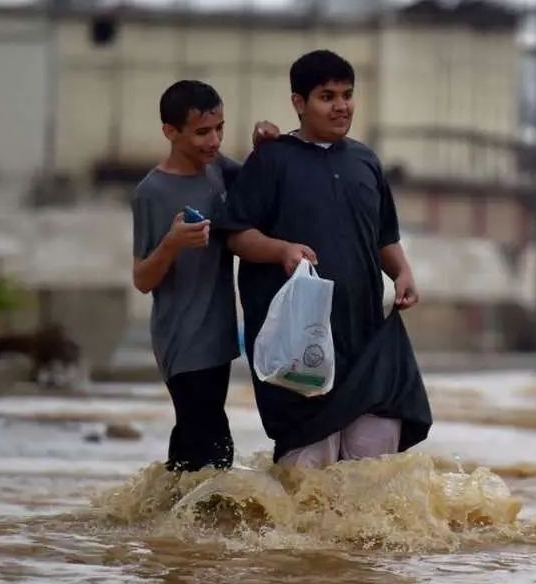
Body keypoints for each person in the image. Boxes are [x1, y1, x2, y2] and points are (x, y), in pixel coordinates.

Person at [219, 49, 432, 469]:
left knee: (372, 473)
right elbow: (237, 236)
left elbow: (384, 236)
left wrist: (402, 272)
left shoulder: (365, 161)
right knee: (306, 476)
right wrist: (281, 250)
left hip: (366, 337)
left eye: (347, 95)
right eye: (327, 96)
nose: (341, 106)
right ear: (299, 103)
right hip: (300, 342)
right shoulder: (272, 159)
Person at [131, 80, 279, 472]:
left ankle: (161, 527)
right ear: (170, 132)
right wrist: (172, 243)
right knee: (214, 449)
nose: (213, 141)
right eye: (201, 132)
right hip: (181, 338)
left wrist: (264, 148)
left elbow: (257, 186)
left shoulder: (219, 171)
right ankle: (193, 525)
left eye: (220, 129)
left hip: (218, 336)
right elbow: (142, 279)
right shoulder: (152, 191)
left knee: (192, 446)